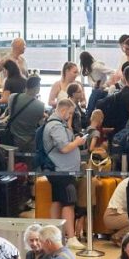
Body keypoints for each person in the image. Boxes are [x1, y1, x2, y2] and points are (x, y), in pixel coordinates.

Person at [43, 99, 86, 249]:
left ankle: (55, 234)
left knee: (58, 201)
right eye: (69, 113)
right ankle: (71, 237)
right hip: (61, 170)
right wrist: (78, 142)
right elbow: (64, 148)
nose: (70, 116)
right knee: (69, 202)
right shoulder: (55, 126)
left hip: (60, 169)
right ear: (62, 111)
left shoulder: (57, 124)